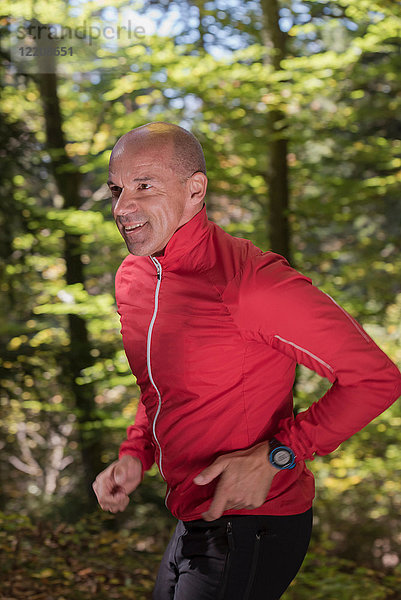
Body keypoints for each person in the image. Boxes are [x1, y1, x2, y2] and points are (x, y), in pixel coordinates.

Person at [92, 121, 401, 600]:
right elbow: (161, 385)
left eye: (144, 186)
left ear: (196, 190)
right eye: (116, 189)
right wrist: (137, 453)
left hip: (257, 522)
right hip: (192, 516)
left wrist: (280, 454)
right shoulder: (134, 277)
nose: (123, 207)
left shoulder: (251, 283)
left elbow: (376, 380)